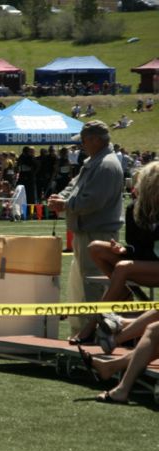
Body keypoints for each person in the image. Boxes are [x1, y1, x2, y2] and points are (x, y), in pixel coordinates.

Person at [48, 120, 124, 340]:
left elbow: (93, 201)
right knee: (83, 283)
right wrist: (61, 197)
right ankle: (87, 328)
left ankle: (94, 332)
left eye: (84, 140)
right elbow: (74, 186)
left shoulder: (106, 165)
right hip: (87, 231)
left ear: (95, 139)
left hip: (98, 233)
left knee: (94, 283)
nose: (81, 145)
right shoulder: (94, 161)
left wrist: (65, 204)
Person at [77, 162, 159, 348]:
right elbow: (135, 246)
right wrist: (123, 250)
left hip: (154, 265)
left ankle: (93, 324)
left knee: (123, 268)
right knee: (96, 247)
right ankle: (121, 291)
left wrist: (130, 255)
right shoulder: (134, 209)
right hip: (145, 263)